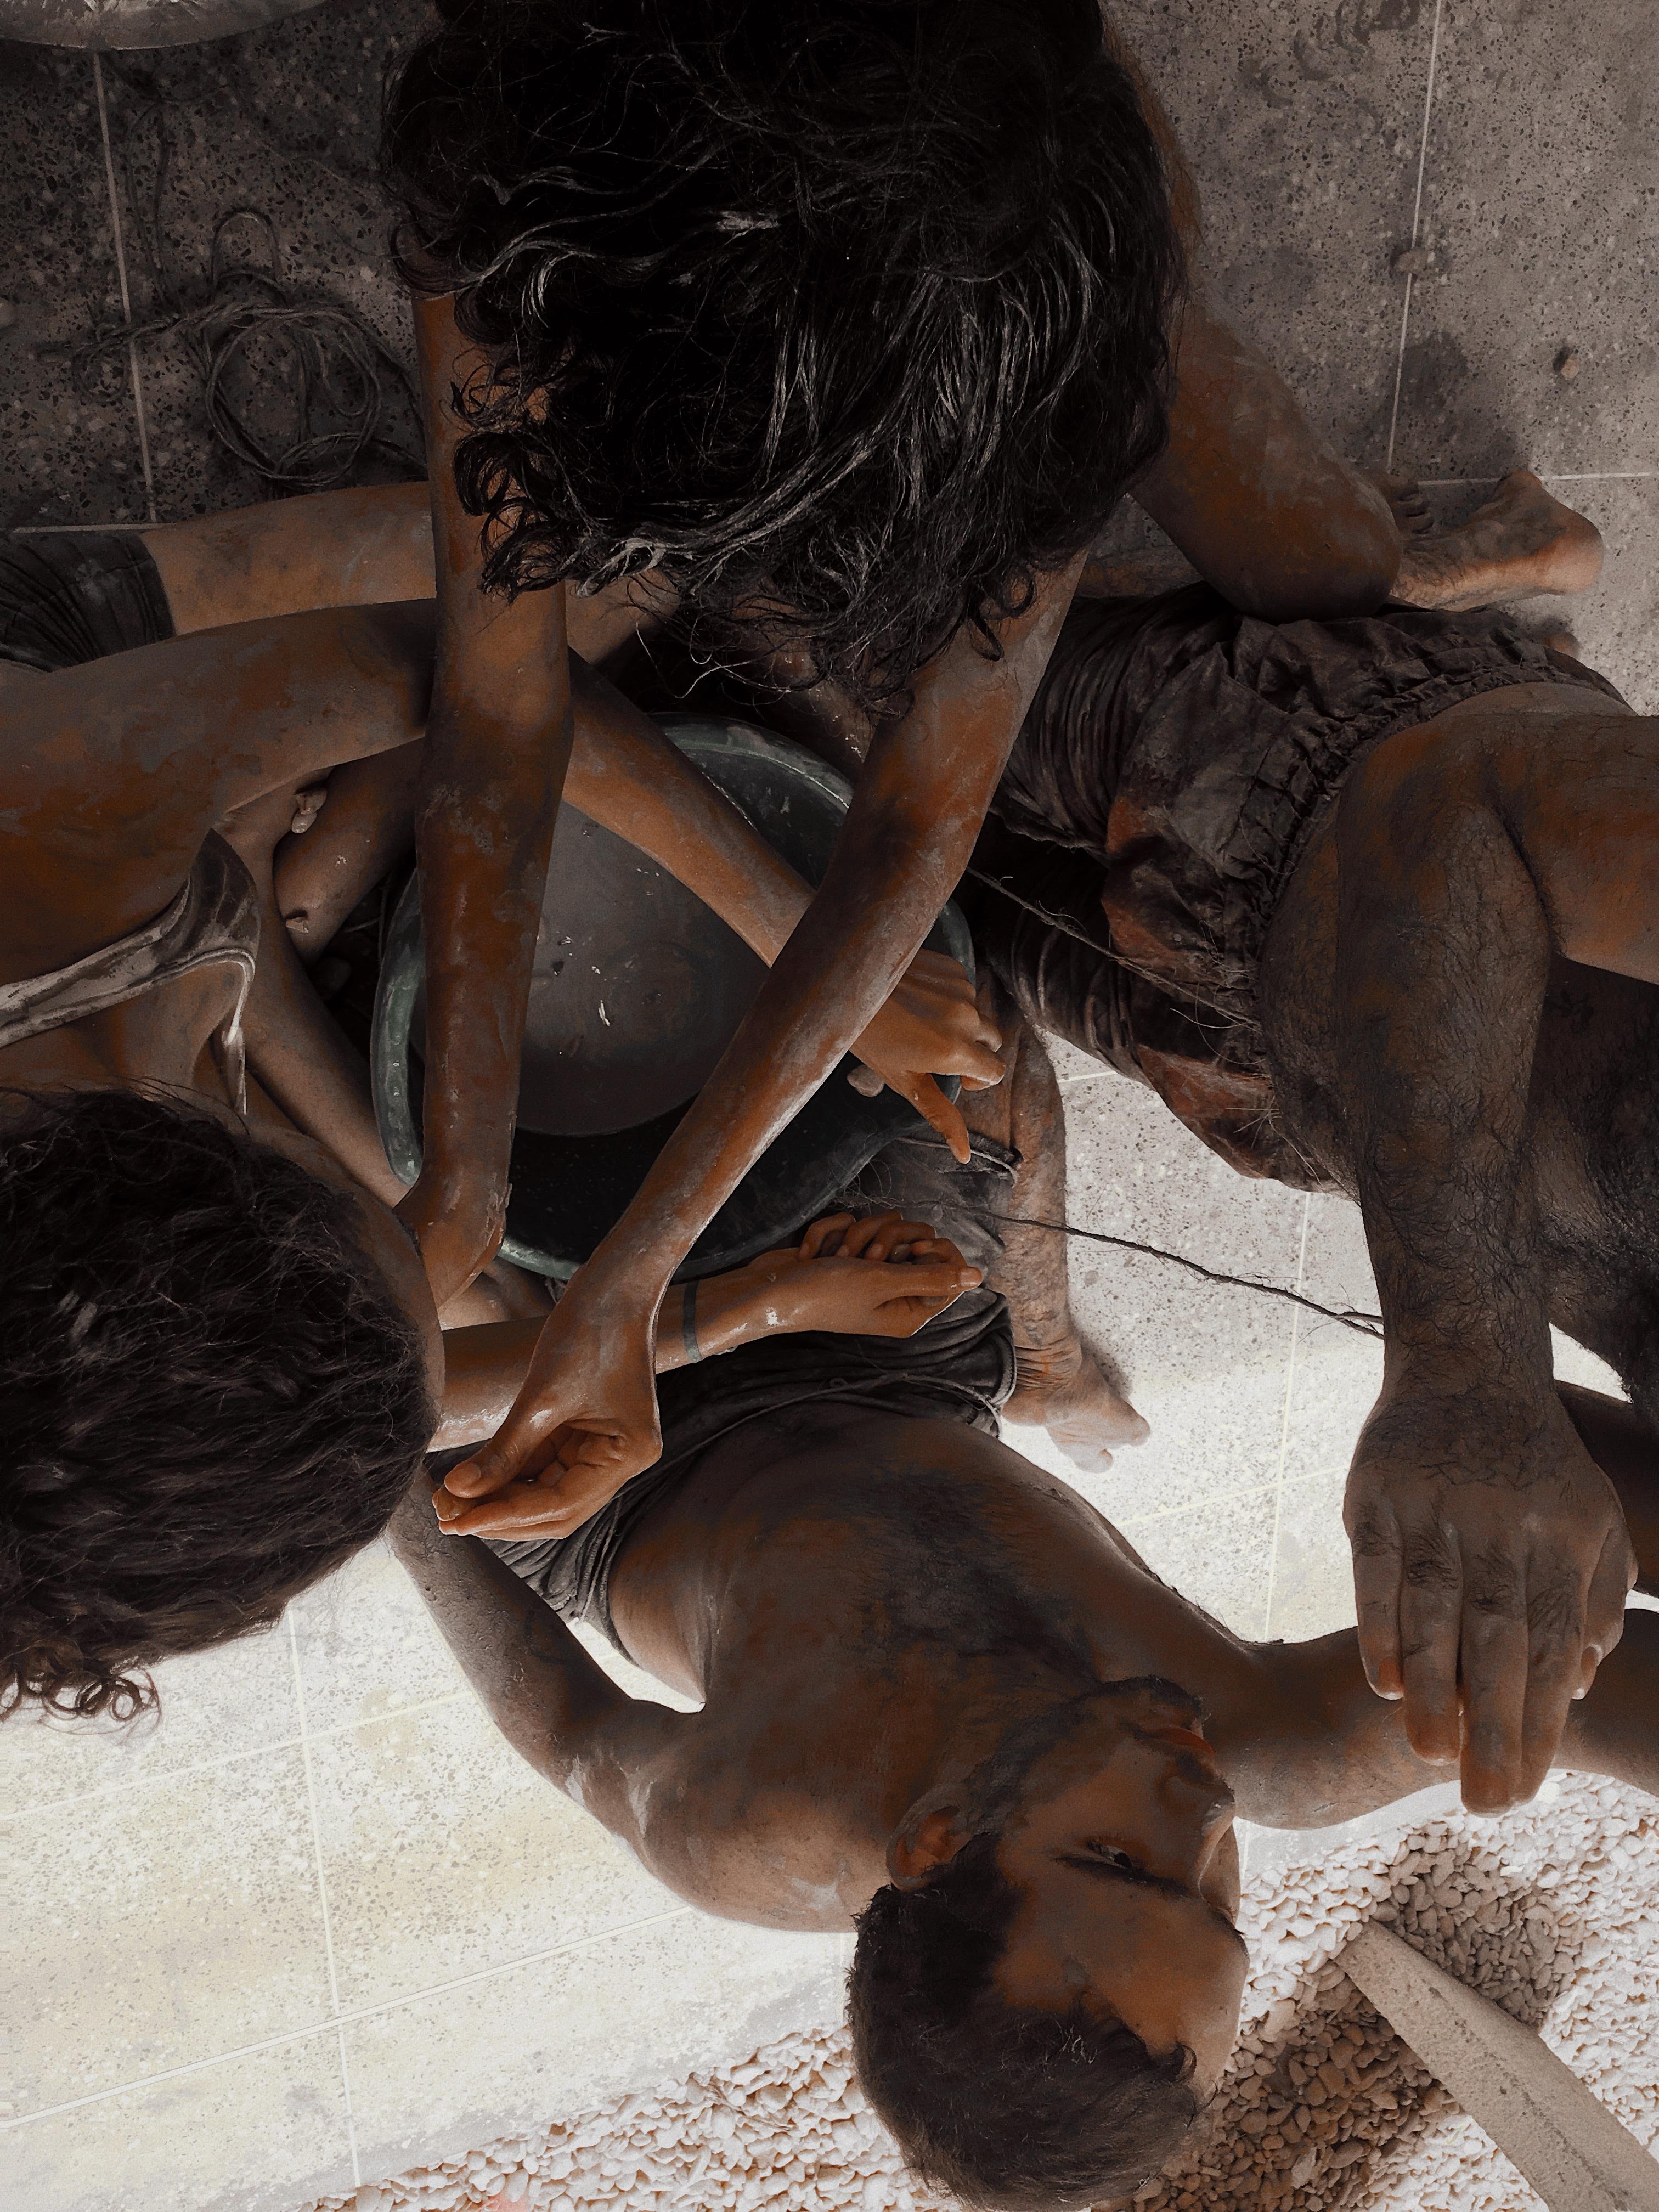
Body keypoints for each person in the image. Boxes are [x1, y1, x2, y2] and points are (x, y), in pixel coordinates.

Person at [381, 0, 1496, 1536]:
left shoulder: (1036, 299)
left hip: (1011, 183)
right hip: (772, 146)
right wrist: (472, 1183)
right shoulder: (544, 201)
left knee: (1335, 563)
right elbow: (502, 711)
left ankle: (1445, 546)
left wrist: (633, 1282)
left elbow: (918, 813)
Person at [390, 1135, 1659, 2211]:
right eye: (1220, 1907)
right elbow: (1592, 1678)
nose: (1207, 1812)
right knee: (943, 1076)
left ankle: (1039, 1349)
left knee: (441, 1251)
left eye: (1120, 1862)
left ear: (937, 1838)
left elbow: (568, 1732)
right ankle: (1045, 1357)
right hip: (907, 1374)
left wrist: (394, 1484)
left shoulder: (755, 1821)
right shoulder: (1256, 1746)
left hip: (633, 1485)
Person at [0, 490, 991, 1718]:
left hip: (45, 682)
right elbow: (378, 1395)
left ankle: (249, 801)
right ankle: (254, 827)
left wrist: (822, 950)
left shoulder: (32, 836)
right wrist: (719, 1312)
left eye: (381, 1230)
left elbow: (483, 671)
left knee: (605, 543)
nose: (425, 1246)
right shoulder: (76, 1333)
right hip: (159, 901)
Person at [957, 472, 1650, 1816]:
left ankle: (1390, 566)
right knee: (797, 659)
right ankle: (1387, 576)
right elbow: (1451, 801)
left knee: (882, 875)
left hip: (1284, 1077)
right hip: (1309, 763)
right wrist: (1466, 1362)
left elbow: (1544, 1485)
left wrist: (1482, 1587)